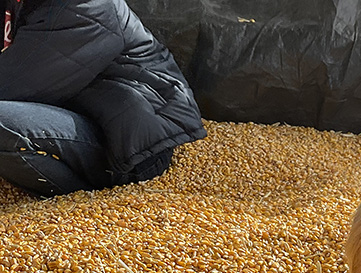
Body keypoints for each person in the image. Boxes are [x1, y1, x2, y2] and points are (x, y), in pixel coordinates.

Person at [0, 0, 206, 196]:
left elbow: (12, 85)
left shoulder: (84, 8)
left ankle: (78, 202)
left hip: (129, 149)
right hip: (84, 115)